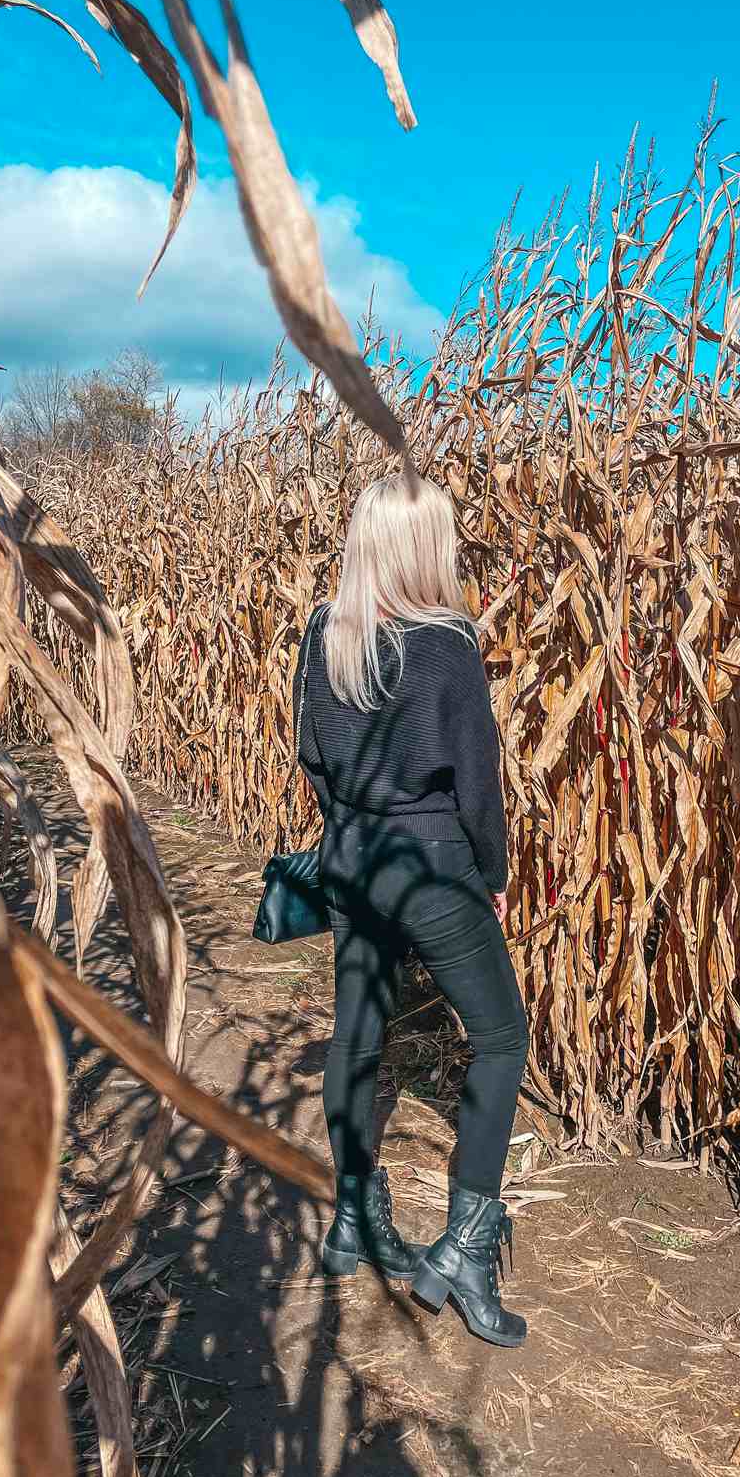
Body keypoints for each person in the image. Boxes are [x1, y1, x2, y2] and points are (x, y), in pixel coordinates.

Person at [291, 469, 529, 1348]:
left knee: (357, 1035)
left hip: (352, 856)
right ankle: (465, 1252)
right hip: (431, 864)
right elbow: (478, 786)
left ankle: (354, 1217)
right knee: (502, 1038)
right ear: (427, 547)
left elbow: (311, 756)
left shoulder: (325, 634)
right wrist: (492, 870)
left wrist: (351, 831)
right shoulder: (447, 646)